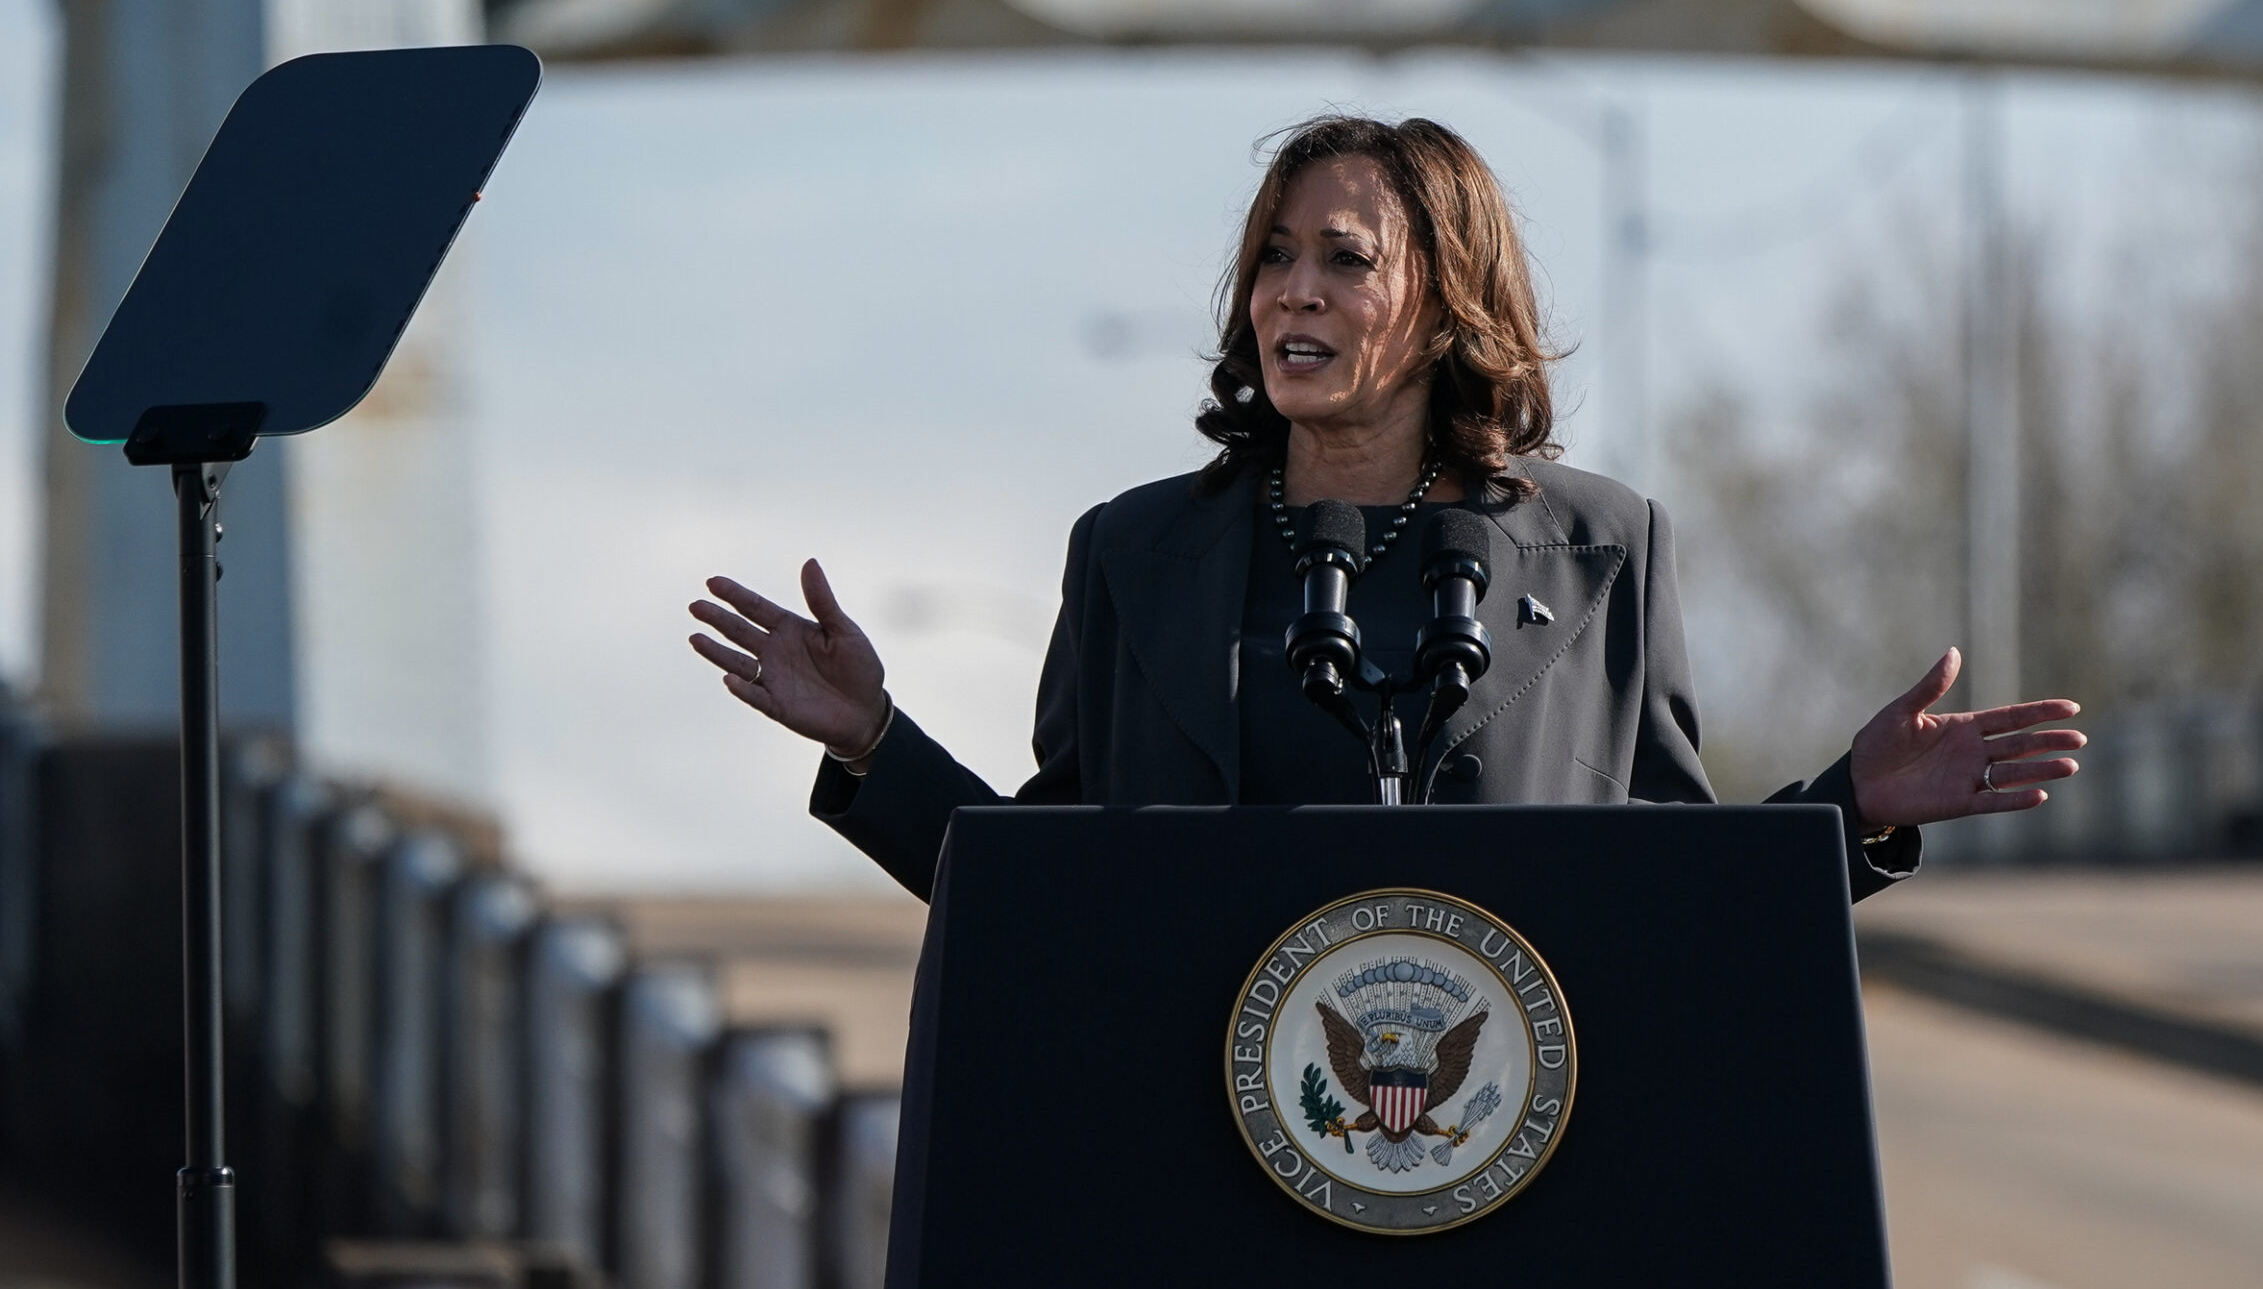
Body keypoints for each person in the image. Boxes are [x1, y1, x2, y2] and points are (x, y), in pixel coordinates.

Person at [687, 115, 2084, 902]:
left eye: (1344, 259)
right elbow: (1043, 898)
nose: (1294, 288)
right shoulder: (1134, 552)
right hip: (1202, 1180)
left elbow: (1673, 894)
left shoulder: (1604, 552)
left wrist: (1855, 811)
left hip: (1505, 1187)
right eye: (1274, 257)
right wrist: (877, 743)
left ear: (1446, 303)